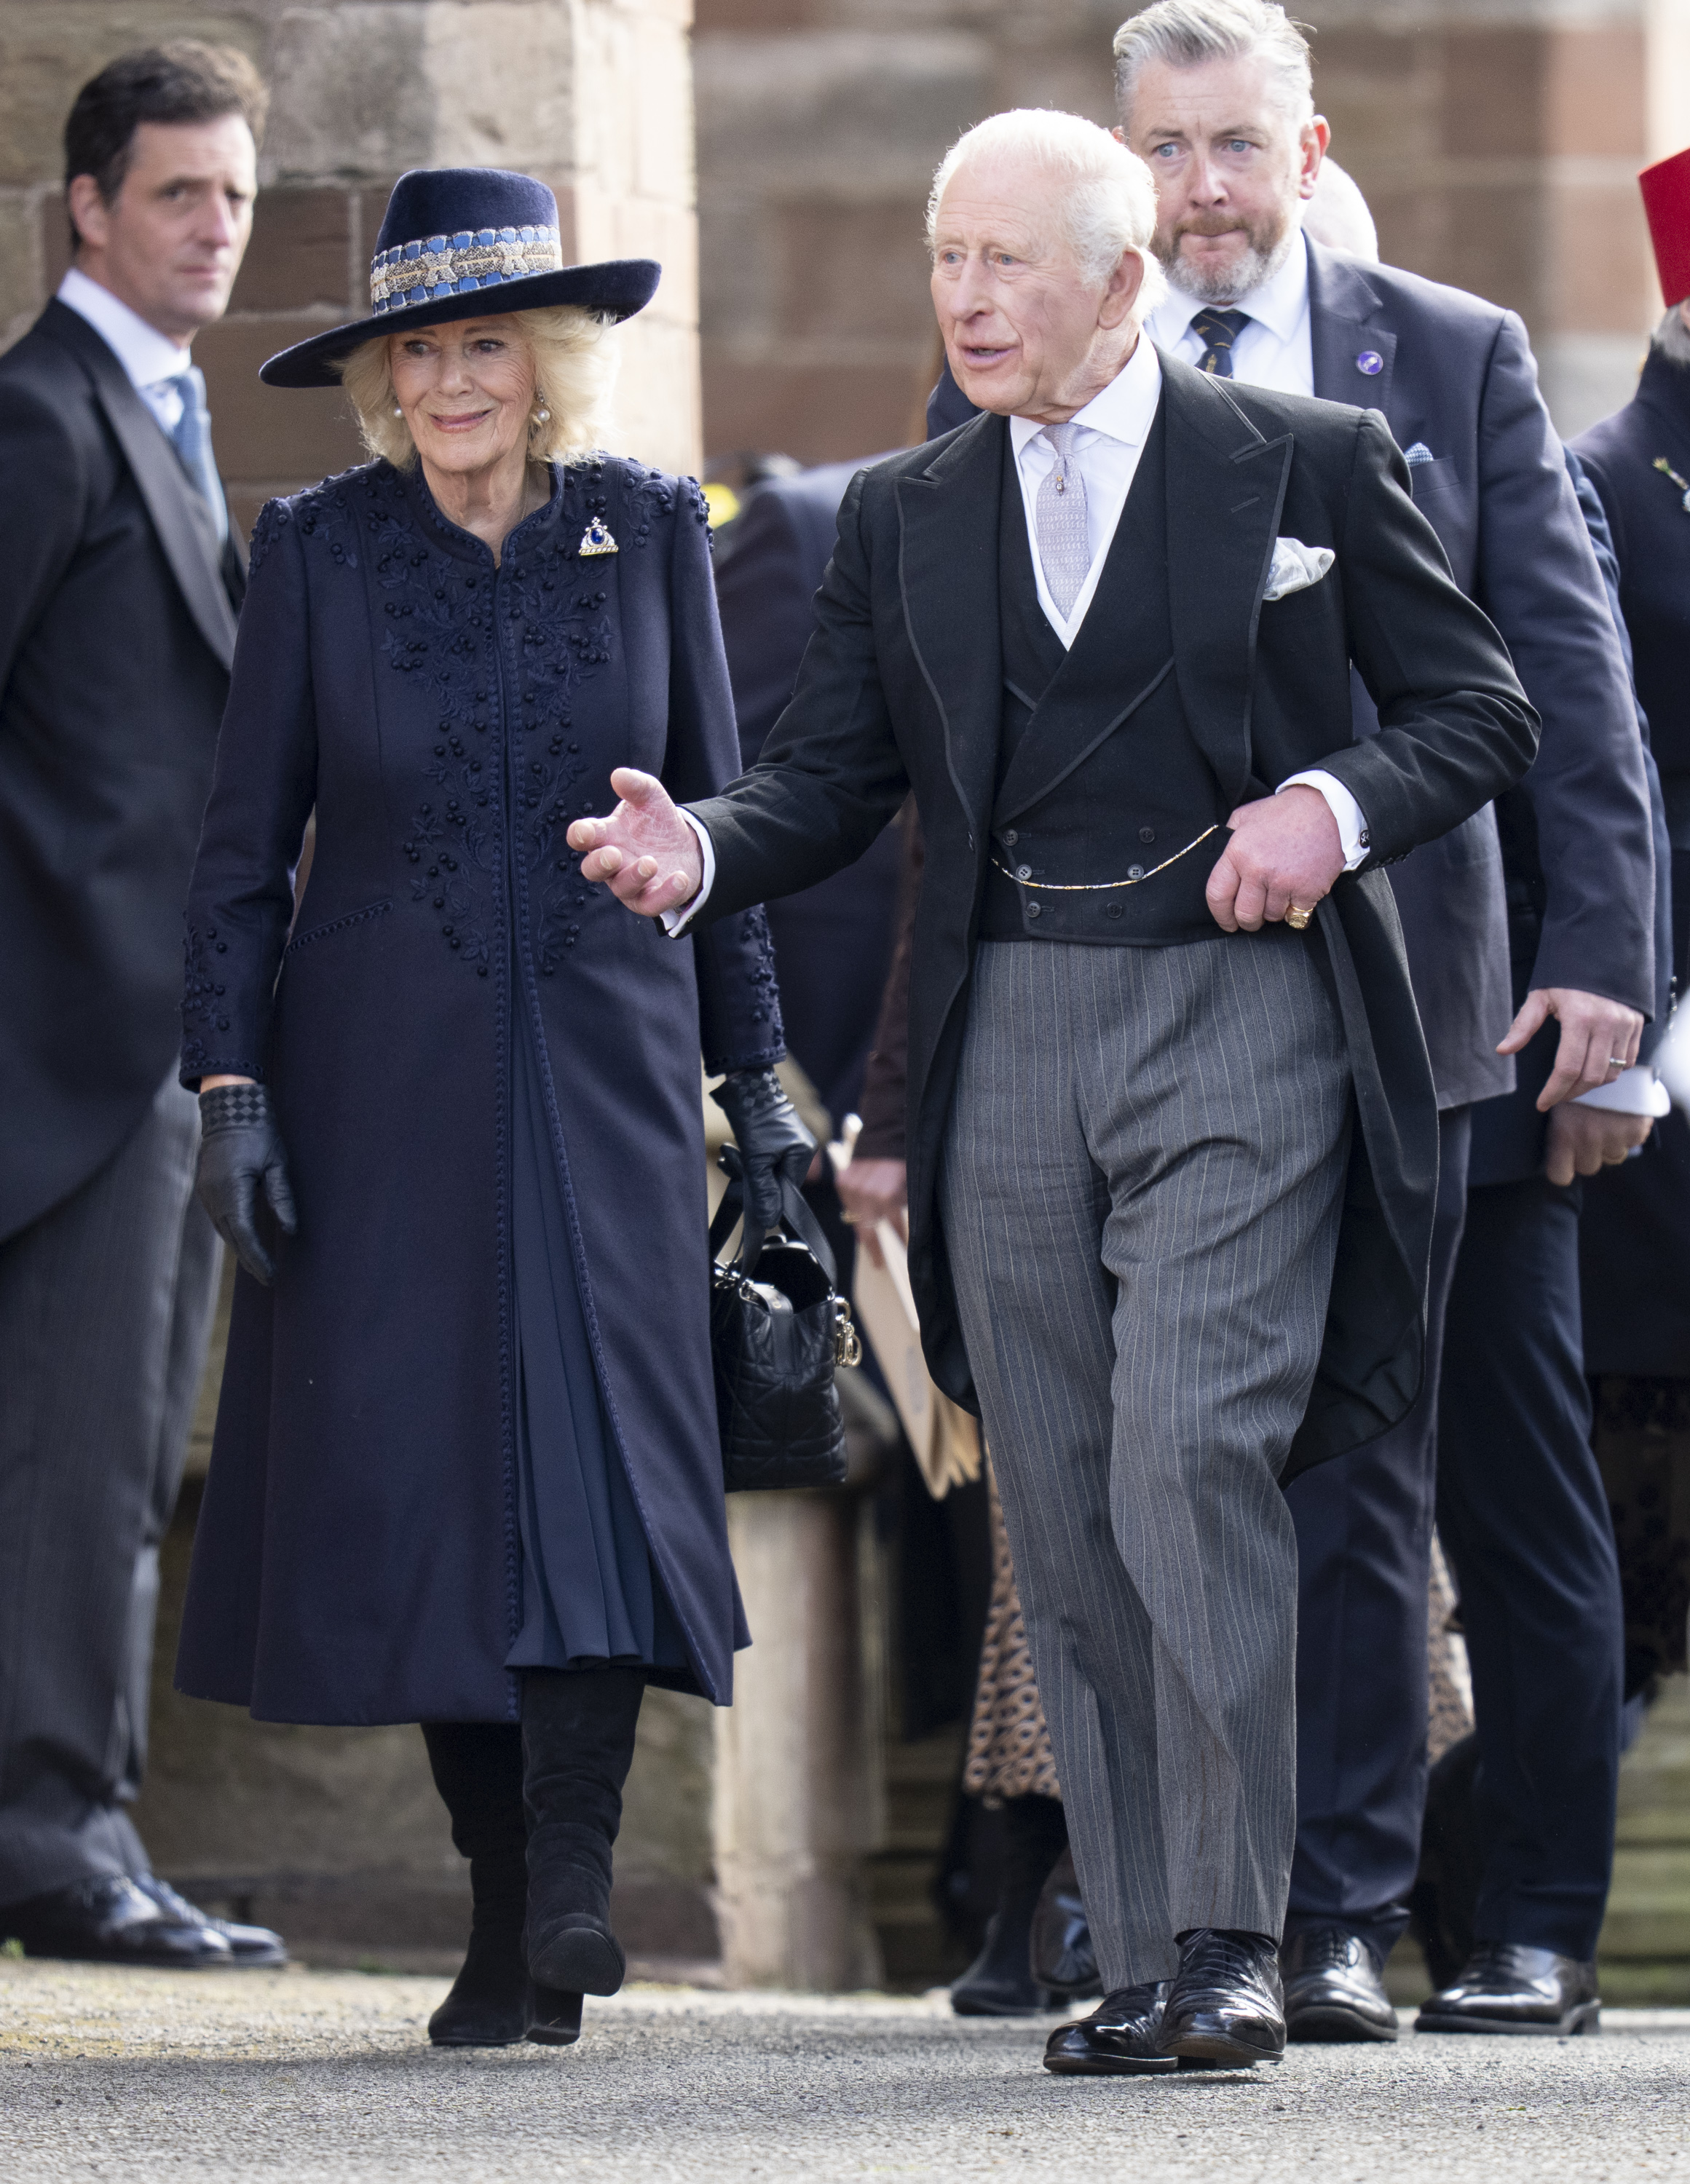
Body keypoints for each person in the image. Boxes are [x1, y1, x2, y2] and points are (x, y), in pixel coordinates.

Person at [570, 108, 1539, 2074]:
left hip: (1244, 1020)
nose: (966, 296)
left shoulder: (1310, 464)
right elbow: (834, 782)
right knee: (1066, 1494)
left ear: (1123, 277)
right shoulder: (911, 514)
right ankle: (1130, 1943)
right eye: (945, 259)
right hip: (1006, 1025)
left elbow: (1480, 710)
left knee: (1191, 1453)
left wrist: (1326, 807)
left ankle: (1227, 1940)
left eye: (1005, 261)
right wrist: (706, 851)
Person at [171, 166, 803, 2050]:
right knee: (439, 1485)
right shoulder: (316, 550)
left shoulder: (645, 529)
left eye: (487, 346)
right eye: (420, 353)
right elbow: (232, 859)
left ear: (546, 363)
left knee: (597, 1457)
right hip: (375, 1072)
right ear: (385, 383)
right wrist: (231, 1093)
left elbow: (718, 824)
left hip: (609, 1065)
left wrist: (752, 1086)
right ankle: (506, 1913)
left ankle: (579, 1879)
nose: (453, 383)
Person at [1104, 0, 1653, 2043]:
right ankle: (1322, 1914)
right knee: (1296, 1483)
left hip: (1455, 1015)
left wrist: (1604, 961)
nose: (1202, 194)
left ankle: (1532, 1927)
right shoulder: (1083, 349)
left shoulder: (1452, 351)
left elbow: (1569, 689)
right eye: (1163, 152)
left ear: (1308, 143)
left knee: (1507, 1488)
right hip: (1190, 1029)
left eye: (1235, 147)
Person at [0, 42, 286, 1971]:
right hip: (62, 1044)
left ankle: (76, 1821)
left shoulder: (165, 416)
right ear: (86, 205)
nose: (212, 228)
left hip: (155, 1046)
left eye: (235, 199)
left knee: (107, 1465)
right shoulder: (41, 427)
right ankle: (53, 1840)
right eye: (177, 192)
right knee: (79, 1460)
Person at [1571, 149, 1690, 1698]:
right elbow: (1611, 769)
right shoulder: (1603, 480)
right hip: (1661, 1047)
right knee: (1631, 1586)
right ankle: (1509, 1902)